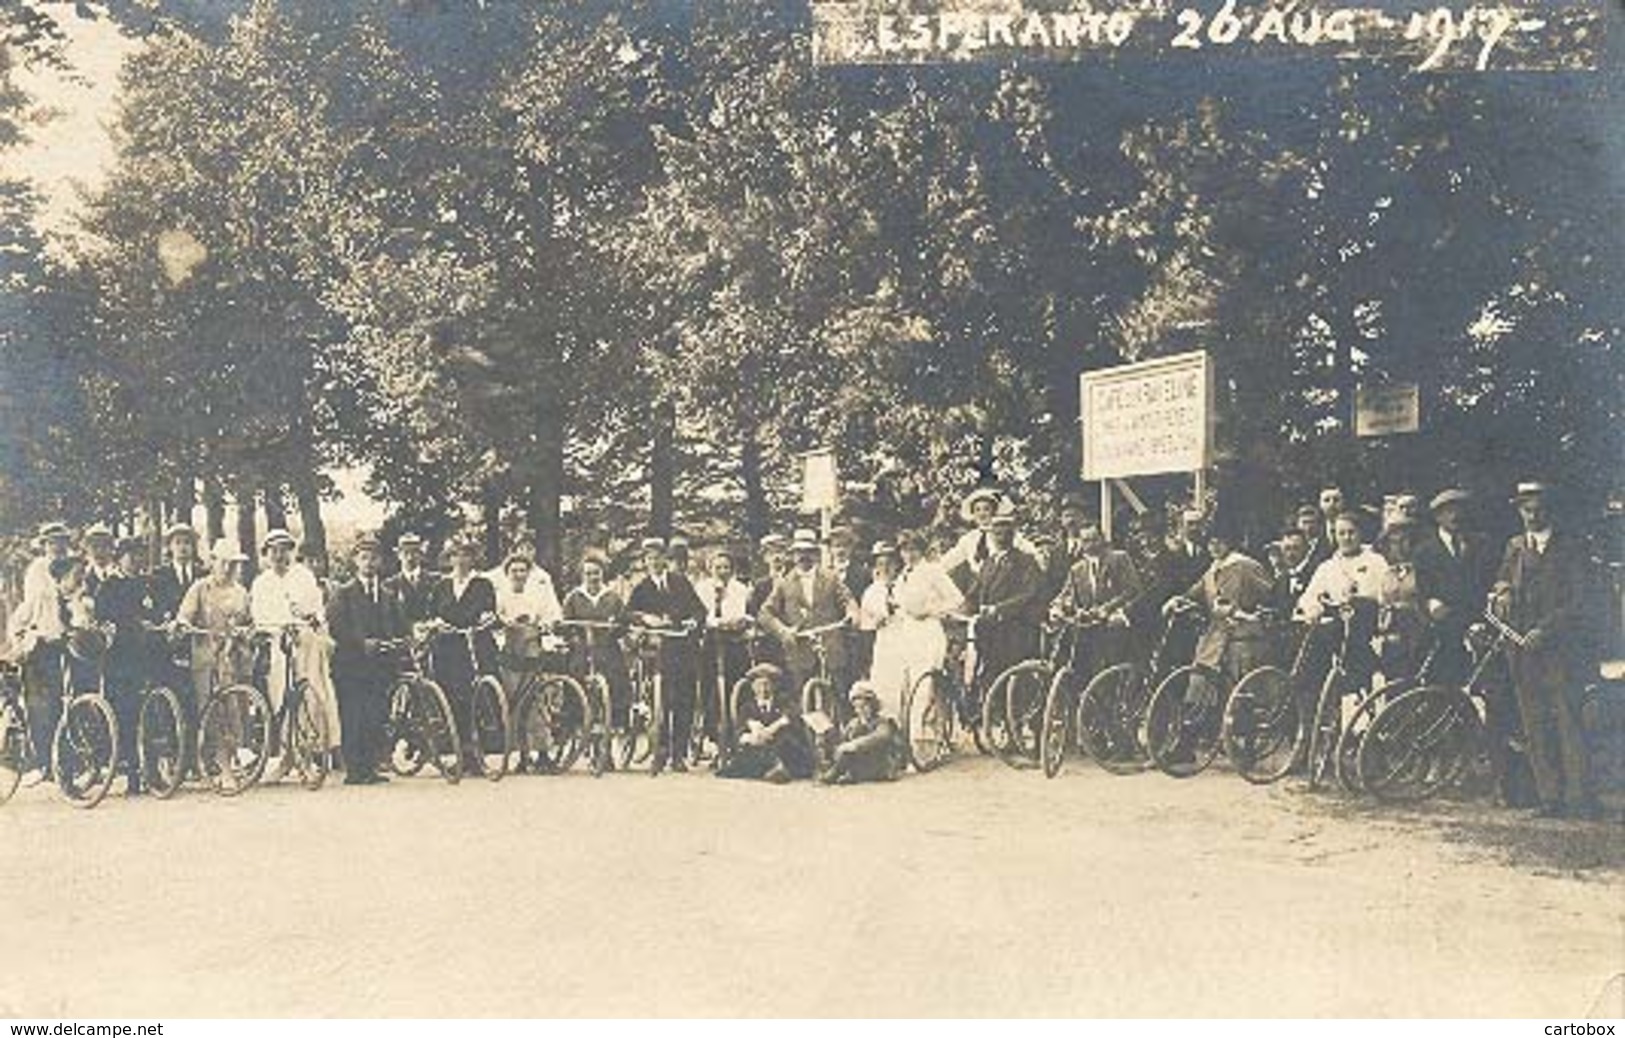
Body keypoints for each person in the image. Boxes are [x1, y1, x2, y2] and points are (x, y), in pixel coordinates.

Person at [1491, 482, 1597, 818]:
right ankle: (1549, 797)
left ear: (1549, 509)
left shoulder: (1571, 548)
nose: (1533, 515)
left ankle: (1579, 798)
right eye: (1526, 508)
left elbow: (1580, 602)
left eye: (1538, 508)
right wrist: (1503, 590)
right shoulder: (1515, 546)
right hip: (1521, 648)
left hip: (1560, 648)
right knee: (1534, 721)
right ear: (1519, 511)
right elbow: (1501, 580)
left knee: (1568, 719)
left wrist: (1545, 630)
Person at [250, 528, 341, 760]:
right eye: (274, 551)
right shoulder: (261, 583)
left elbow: (317, 611)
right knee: (280, 696)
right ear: (266, 554)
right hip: (278, 646)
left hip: (306, 644)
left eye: (284, 550)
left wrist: (307, 621)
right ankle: (287, 752)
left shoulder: (303, 576)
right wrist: (277, 629)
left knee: (312, 693)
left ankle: (316, 749)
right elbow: (259, 617)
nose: (279, 556)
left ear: (291, 553)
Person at [326, 535, 406, 784]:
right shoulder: (344, 592)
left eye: (373, 558)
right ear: (355, 562)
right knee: (353, 714)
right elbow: (336, 626)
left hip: (379, 665)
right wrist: (361, 643)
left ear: (380, 562)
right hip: (351, 664)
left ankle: (370, 767)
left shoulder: (387, 594)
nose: (369, 563)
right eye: (364, 558)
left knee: (376, 713)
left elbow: (397, 624)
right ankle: (354, 770)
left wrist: (404, 639)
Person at [625, 537, 706, 773]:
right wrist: (644, 618)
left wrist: (693, 620)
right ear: (644, 562)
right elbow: (627, 614)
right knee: (661, 702)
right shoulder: (641, 588)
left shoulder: (680, 582)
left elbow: (699, 610)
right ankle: (659, 752)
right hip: (657, 653)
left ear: (665, 559)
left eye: (659, 557)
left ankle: (678, 754)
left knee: (684, 702)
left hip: (683, 649)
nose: (655, 562)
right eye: (649, 558)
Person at [757, 529, 856, 712]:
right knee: (801, 699)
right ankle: (807, 737)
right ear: (793, 555)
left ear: (816, 554)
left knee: (838, 695)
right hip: (799, 649)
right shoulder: (784, 583)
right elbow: (765, 613)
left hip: (830, 645)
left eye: (809, 552)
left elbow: (847, 599)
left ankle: (839, 733)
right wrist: (783, 631)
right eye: (799, 552)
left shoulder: (830, 578)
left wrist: (852, 613)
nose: (804, 557)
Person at [1170, 517, 1276, 688]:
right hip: (1218, 630)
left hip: (1244, 629)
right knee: (1203, 667)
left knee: (1237, 669)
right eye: (1211, 543)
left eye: (1220, 542)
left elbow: (1271, 593)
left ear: (1230, 543)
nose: (1215, 547)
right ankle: (1202, 708)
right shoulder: (1213, 569)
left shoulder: (1245, 565)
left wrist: (1253, 613)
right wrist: (1178, 600)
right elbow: (1195, 592)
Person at [423, 536, 500, 764]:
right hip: (448, 648)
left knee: (476, 695)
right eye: (456, 554)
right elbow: (432, 613)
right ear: (450, 558)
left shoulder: (482, 584)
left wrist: (486, 619)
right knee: (451, 697)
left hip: (474, 644)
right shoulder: (441, 585)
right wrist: (436, 623)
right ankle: (459, 750)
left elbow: (489, 611)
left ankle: (478, 750)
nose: (461, 559)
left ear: (473, 558)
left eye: (466, 554)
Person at [95, 537, 156, 795]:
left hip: (145, 656)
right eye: (131, 556)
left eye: (140, 556)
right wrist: (132, 624)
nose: (137, 561)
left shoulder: (147, 583)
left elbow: (156, 611)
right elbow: (105, 619)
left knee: (150, 713)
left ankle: (152, 772)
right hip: (119, 660)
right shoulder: (108, 586)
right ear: (120, 558)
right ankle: (131, 773)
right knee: (126, 715)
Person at [1414, 488, 1494, 685]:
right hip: (1444, 627)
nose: (1455, 516)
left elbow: (1488, 581)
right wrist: (1432, 604)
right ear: (1437, 516)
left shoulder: (1481, 543)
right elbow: (1423, 593)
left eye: (1459, 510)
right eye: (1447, 511)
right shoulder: (1424, 551)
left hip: (1479, 620)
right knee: (1445, 681)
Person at [964, 502, 1046, 692]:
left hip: (1016, 627)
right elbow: (974, 592)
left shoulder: (1025, 561)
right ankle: (992, 713)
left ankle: (1017, 715)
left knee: (1012, 673)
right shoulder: (988, 563)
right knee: (988, 670)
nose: (1001, 537)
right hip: (990, 629)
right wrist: (959, 608)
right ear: (991, 535)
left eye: (1006, 533)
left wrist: (999, 609)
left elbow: (1029, 593)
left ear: (1013, 535)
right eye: (997, 533)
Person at [1051, 520, 1142, 681]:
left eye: (1094, 539)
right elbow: (1066, 594)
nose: (1090, 545)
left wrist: (1108, 609)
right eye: (1086, 541)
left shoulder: (1119, 559)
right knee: (1075, 659)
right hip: (1089, 627)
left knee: (1111, 665)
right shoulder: (1077, 569)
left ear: (1102, 539)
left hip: (1115, 623)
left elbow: (1132, 589)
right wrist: (1057, 608)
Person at [562, 552, 631, 736]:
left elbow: (623, 622)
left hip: (606, 645)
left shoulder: (612, 597)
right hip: (582, 646)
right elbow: (565, 623)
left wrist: (615, 628)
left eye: (596, 573)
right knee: (575, 671)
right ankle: (577, 719)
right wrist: (573, 636)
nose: (593, 577)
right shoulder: (574, 597)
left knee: (617, 673)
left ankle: (617, 720)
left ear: (602, 573)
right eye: (589, 573)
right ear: (582, 576)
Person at [178, 538, 254, 704]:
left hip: (236, 658)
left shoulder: (242, 592)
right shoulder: (200, 588)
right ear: (213, 562)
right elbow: (184, 616)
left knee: (238, 708)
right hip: (208, 656)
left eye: (233, 564)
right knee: (211, 706)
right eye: (224, 563)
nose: (228, 569)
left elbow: (249, 621)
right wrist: (184, 625)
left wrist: (247, 631)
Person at [693, 549, 753, 753]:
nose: (722, 571)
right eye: (718, 567)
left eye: (726, 567)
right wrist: (717, 622)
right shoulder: (701, 588)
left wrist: (738, 622)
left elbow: (745, 612)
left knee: (736, 684)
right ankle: (713, 733)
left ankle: (736, 731)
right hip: (711, 641)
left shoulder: (741, 589)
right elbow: (700, 613)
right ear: (710, 569)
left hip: (735, 642)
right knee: (711, 687)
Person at [717, 662, 816, 783]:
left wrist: (773, 728)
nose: (763, 690)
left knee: (786, 746)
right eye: (759, 685)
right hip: (759, 746)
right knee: (749, 753)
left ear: (774, 686)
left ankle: (779, 769)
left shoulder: (783, 701)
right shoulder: (748, 708)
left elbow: (791, 716)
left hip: (780, 745)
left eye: (767, 685)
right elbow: (740, 730)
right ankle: (772, 770)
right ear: (753, 688)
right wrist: (749, 735)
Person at [493, 552, 564, 697]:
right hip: (509, 647)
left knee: (534, 675)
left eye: (522, 570)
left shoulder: (535, 597)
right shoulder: (500, 596)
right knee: (510, 688)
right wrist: (506, 623)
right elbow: (496, 619)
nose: (519, 574)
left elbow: (548, 614)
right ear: (507, 573)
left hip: (531, 645)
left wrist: (546, 624)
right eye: (514, 571)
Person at [819, 681, 903, 785]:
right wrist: (828, 737)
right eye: (857, 707)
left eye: (864, 707)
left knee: (848, 753)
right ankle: (843, 773)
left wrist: (855, 744)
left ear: (873, 706)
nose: (861, 711)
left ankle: (834, 775)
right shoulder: (854, 723)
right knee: (843, 753)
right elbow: (843, 740)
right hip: (862, 762)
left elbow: (881, 736)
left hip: (879, 764)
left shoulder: (882, 722)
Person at [386, 532, 436, 625]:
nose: (410, 558)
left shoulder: (435, 581)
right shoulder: (389, 585)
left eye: (414, 552)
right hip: (402, 635)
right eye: (405, 553)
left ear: (421, 555)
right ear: (399, 556)